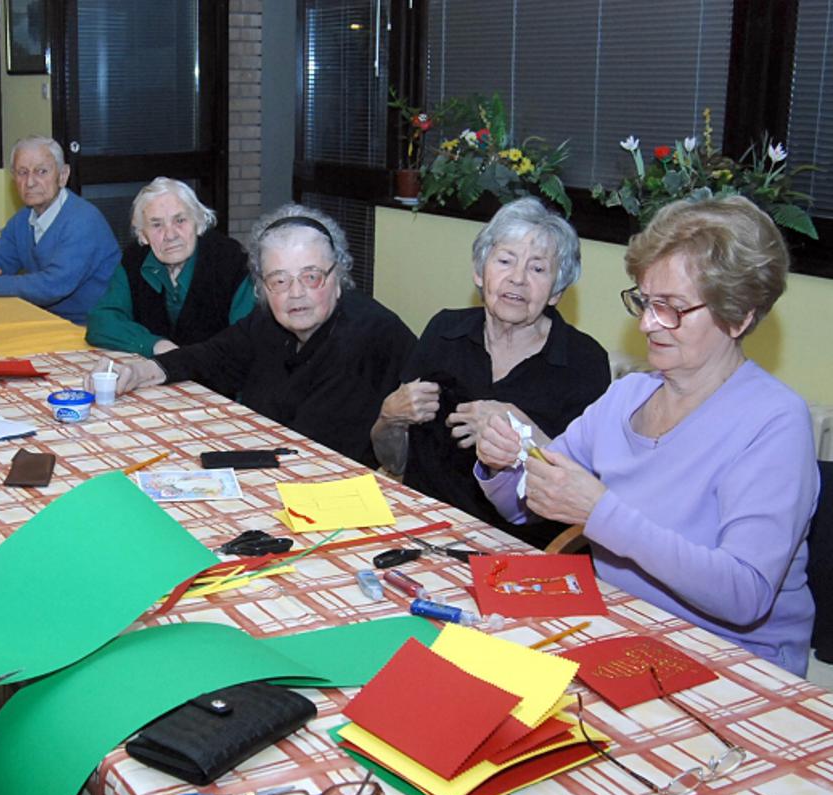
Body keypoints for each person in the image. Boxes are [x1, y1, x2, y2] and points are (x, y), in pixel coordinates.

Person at [474, 196, 819, 676]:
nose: (647, 323)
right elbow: (522, 504)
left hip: (731, 663)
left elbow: (745, 594)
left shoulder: (775, 421)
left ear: (739, 317)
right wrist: (504, 461)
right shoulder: (629, 395)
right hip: (624, 636)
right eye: (644, 300)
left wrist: (599, 512)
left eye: (673, 308)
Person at [90, 205, 417, 468]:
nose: (296, 293)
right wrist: (140, 371)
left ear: (338, 275)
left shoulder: (369, 336)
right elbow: (212, 356)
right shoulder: (269, 323)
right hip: (278, 464)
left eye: (311, 276)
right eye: (279, 281)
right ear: (262, 287)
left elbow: (312, 451)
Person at [371, 198, 610, 547]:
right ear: (480, 272)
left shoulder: (584, 361)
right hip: (421, 527)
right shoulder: (443, 330)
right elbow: (395, 460)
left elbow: (583, 494)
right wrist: (388, 418)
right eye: (505, 261)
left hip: (515, 548)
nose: (517, 279)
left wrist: (523, 434)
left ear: (557, 291)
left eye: (538, 269)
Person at [0, 137, 120, 324]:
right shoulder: (23, 219)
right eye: (22, 172)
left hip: (91, 326)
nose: (30, 182)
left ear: (63, 175)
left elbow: (53, 286)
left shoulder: (84, 221)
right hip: (45, 319)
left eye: (41, 172)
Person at [85, 177, 254, 356]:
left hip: (219, 379)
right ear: (142, 235)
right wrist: (155, 345)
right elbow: (101, 322)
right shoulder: (134, 260)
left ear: (198, 222)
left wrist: (186, 361)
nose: (170, 235)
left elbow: (245, 340)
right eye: (157, 225)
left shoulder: (232, 262)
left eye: (180, 220)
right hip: (159, 375)